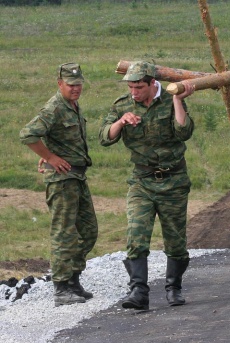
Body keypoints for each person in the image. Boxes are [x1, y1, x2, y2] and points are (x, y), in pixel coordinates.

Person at [99, 61, 196, 310]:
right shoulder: (123, 105)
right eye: (131, 87)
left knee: (175, 240)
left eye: (139, 87)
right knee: (136, 234)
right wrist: (121, 122)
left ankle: (174, 287)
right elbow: (104, 138)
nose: (134, 92)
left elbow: (183, 132)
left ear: (153, 83)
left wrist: (177, 101)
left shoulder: (170, 99)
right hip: (142, 181)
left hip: (173, 181)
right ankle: (139, 291)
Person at [19, 63, 98, 306]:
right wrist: (51, 157)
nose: (76, 89)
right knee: (64, 233)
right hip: (62, 180)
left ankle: (73, 280)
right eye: (71, 85)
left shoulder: (72, 106)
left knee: (88, 231)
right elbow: (28, 134)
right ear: (60, 84)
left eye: (78, 84)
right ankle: (62, 288)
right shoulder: (54, 107)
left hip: (77, 177)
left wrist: (50, 151)